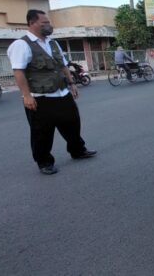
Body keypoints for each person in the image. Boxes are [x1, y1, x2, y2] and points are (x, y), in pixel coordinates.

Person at [7, 10, 96, 175]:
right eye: (44, 23)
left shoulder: (53, 43)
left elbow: (62, 65)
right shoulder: (21, 45)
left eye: (48, 22)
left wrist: (72, 84)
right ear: (32, 23)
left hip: (62, 93)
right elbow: (18, 72)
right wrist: (26, 95)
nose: (49, 25)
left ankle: (78, 150)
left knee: (72, 122)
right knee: (42, 132)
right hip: (40, 97)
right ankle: (44, 162)